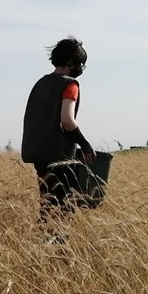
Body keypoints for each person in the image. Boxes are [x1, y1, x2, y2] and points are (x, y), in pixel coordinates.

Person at [20, 37, 93, 213]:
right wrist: (85, 145)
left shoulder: (41, 83)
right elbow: (67, 120)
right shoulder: (70, 85)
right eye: (79, 64)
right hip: (58, 156)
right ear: (71, 62)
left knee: (47, 204)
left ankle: (42, 238)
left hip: (37, 152)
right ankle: (56, 240)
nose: (80, 69)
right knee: (63, 208)